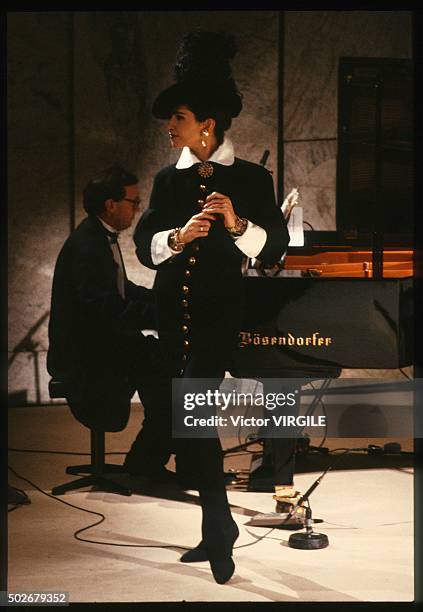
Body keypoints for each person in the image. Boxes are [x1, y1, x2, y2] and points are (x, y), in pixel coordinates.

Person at [133, 30, 290, 584]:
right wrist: (177, 238)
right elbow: (144, 246)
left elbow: (273, 250)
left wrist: (237, 223)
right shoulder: (165, 180)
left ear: (208, 124)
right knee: (187, 426)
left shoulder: (250, 179)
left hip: (218, 319)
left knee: (192, 418)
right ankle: (213, 529)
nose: (170, 128)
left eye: (177, 117)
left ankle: (220, 528)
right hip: (170, 317)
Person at [47, 164, 173, 480]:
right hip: (86, 355)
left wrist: (161, 302)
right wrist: (163, 317)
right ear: (111, 205)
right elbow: (105, 310)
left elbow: (121, 289)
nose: (138, 208)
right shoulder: (89, 246)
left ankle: (149, 461)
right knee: (168, 373)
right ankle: (146, 464)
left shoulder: (97, 236)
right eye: (133, 201)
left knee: (164, 366)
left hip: (100, 342)